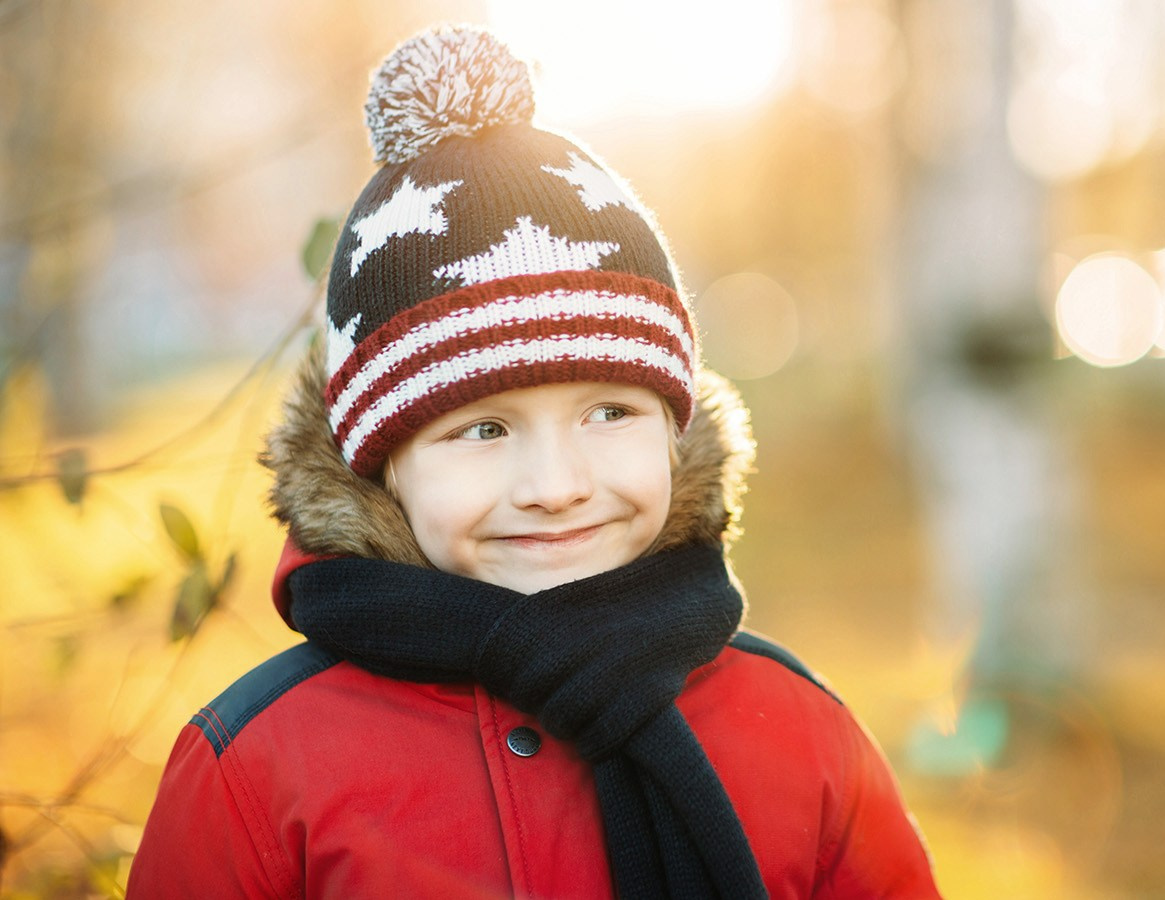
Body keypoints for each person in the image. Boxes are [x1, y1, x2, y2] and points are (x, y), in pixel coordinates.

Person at [128, 24, 939, 899]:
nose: (557, 488)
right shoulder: (258, 769)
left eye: (610, 412)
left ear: (673, 429)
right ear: (381, 469)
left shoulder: (798, 732)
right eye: (483, 430)